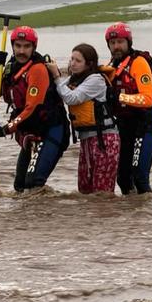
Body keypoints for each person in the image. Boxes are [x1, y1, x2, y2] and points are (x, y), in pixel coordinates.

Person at [0, 26, 69, 192]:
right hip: (30, 132)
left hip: (51, 130)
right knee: (20, 185)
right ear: (12, 46)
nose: (21, 51)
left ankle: (46, 216)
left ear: (34, 48)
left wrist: (5, 129)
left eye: (26, 46)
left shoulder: (37, 70)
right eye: (18, 46)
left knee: (34, 183)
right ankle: (25, 218)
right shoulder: (11, 67)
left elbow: (32, 108)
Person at [47, 44, 120, 194]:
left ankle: (106, 217)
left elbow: (71, 98)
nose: (73, 63)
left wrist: (56, 76)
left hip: (105, 140)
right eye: (72, 59)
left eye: (78, 61)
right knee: (84, 189)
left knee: (102, 192)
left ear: (89, 64)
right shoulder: (75, 79)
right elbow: (58, 89)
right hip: (86, 140)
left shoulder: (96, 80)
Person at [105, 22, 152, 194]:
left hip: (143, 126)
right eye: (112, 43)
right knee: (122, 178)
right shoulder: (111, 66)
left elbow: (148, 99)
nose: (116, 47)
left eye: (120, 42)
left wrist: (120, 97)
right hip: (123, 127)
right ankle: (130, 218)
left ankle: (149, 216)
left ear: (128, 42)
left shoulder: (139, 62)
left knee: (139, 177)